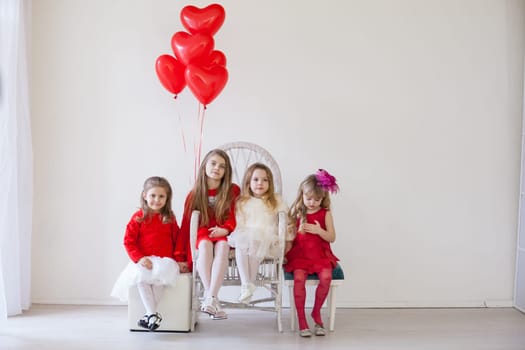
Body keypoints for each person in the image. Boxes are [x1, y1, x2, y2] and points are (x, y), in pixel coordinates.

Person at [111, 176, 186, 331]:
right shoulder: (138, 217)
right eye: (153, 195)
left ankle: (150, 315)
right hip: (144, 260)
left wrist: (179, 259)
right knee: (141, 279)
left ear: (167, 198)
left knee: (159, 281)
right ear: (144, 195)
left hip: (165, 260)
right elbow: (128, 241)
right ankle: (152, 314)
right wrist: (139, 258)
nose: (156, 200)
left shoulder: (169, 218)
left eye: (161, 196)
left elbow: (177, 240)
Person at [177, 149, 240, 320]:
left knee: (223, 245)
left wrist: (226, 229)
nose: (217, 168)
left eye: (222, 166)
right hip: (202, 234)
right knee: (205, 245)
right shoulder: (194, 195)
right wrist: (180, 256)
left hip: (224, 232)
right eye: (213, 163)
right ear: (204, 165)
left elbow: (236, 214)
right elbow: (186, 227)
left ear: (226, 171)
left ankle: (209, 299)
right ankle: (211, 298)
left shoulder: (233, 190)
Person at [284, 169, 340, 337]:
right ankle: (302, 320)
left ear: (323, 199)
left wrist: (318, 230)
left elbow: (332, 237)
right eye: (308, 198)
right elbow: (290, 239)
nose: (312, 202)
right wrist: (286, 253)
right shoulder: (296, 213)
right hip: (300, 255)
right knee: (299, 278)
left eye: (317, 199)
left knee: (326, 277)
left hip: (320, 255)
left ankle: (316, 313)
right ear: (302, 195)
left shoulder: (325, 214)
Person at [228, 163, 288, 304]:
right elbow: (239, 223)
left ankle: (250, 282)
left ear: (270, 183)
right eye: (255, 180)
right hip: (246, 234)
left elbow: (284, 219)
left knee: (255, 240)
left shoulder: (275, 200)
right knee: (242, 241)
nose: (260, 183)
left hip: (267, 236)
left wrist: (286, 238)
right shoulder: (242, 202)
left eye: (265, 180)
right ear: (248, 183)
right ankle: (246, 284)